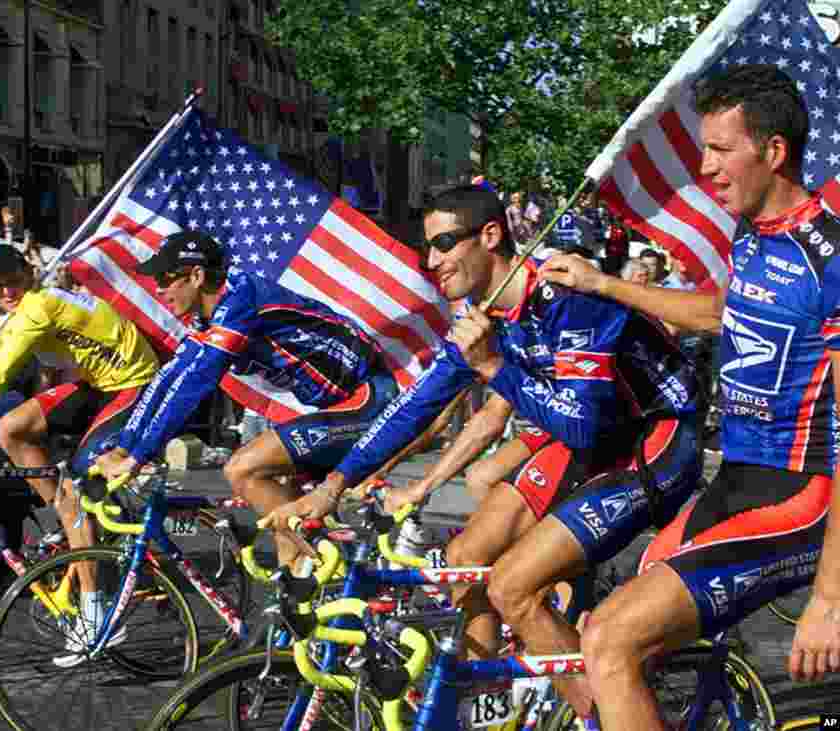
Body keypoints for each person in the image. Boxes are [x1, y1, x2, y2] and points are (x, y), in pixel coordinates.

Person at [262, 183, 704, 726]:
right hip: (591, 441)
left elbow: (582, 425)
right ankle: (489, 710)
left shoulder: (567, 297)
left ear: (490, 235)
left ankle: (604, 718)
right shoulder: (483, 315)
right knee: (464, 561)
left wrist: (493, 366)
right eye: (427, 248)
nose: (432, 261)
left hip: (655, 438)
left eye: (444, 243)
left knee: (512, 587)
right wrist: (333, 486)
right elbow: (413, 406)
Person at [538, 64, 840, 729]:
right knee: (614, 632)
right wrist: (603, 284)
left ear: (774, 151)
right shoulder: (751, 233)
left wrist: (829, 599)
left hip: (800, 494)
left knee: (611, 638)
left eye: (720, 149)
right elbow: (720, 313)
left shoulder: (831, 257)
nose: (705, 167)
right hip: (734, 479)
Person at [0, 243, 160, 666]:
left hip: (133, 386)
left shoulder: (37, 308)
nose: (6, 289)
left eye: (13, 279)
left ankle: (97, 614)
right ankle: (66, 513)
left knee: (77, 496)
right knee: (11, 428)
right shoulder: (28, 308)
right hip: (98, 383)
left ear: (29, 271)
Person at [91, 229, 404, 571]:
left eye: (166, 278)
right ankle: (308, 581)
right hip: (339, 403)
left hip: (369, 398)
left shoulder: (240, 299)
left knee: (242, 468)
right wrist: (125, 446)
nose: (159, 289)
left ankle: (324, 560)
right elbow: (169, 377)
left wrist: (139, 456)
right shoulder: (209, 317)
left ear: (196, 276)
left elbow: (196, 382)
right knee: (277, 512)